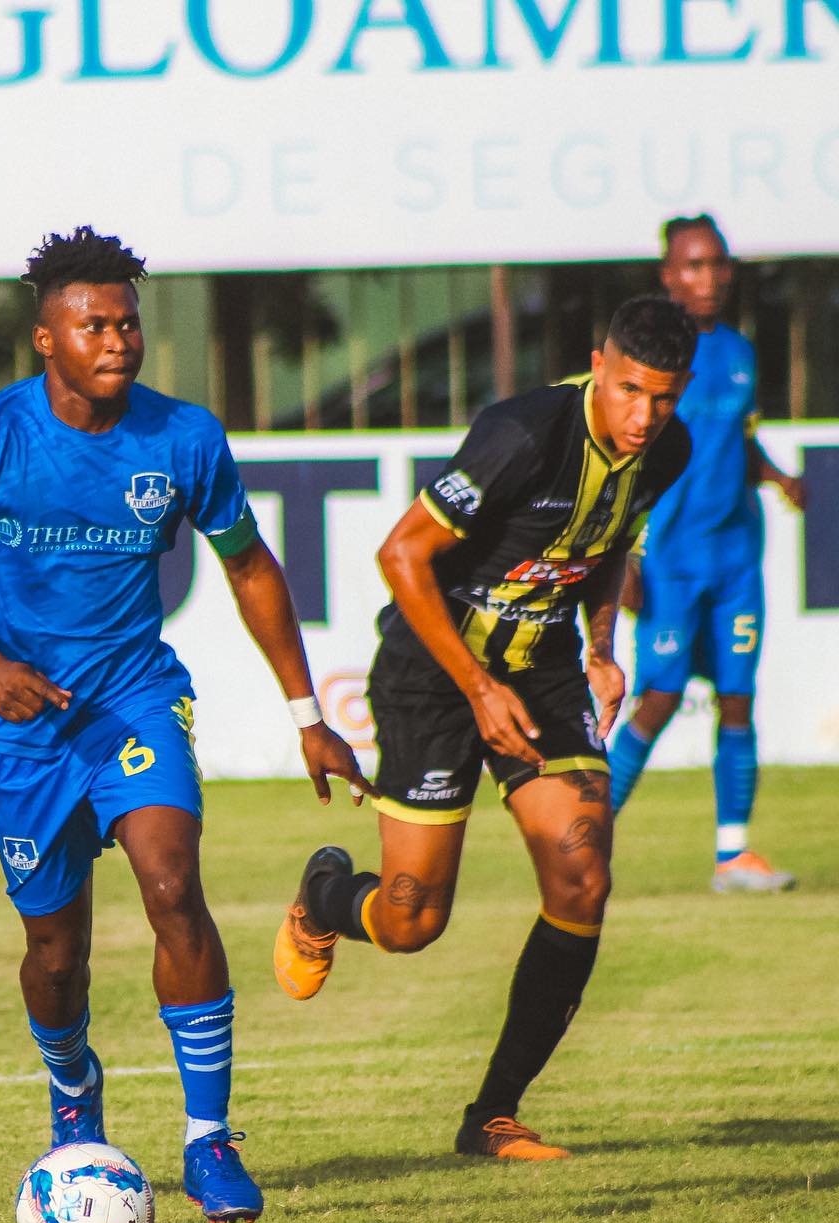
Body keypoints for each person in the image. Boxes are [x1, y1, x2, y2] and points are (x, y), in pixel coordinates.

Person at [0, 227, 366, 1223]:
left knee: (173, 887)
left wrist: (307, 715)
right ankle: (72, 1087)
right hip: (23, 729)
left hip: (136, 699)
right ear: (46, 340)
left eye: (129, 324)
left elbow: (250, 566)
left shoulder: (184, 438)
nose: (118, 341)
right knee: (56, 957)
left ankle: (209, 1138)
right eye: (93, 325)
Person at [274, 296, 697, 1161]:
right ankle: (324, 897)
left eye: (663, 396)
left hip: (541, 669)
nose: (644, 415)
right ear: (598, 366)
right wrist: (476, 688)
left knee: (582, 877)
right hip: (434, 675)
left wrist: (601, 649)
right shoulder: (524, 434)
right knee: (410, 922)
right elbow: (400, 553)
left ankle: (493, 1115)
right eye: (630, 391)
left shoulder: (667, 448)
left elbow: (609, 544)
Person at [607, 215, 807, 892]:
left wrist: (777, 477)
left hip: (737, 558)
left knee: (738, 699)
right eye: (694, 265)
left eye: (718, 264)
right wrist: (624, 555)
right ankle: (587, 837)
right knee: (659, 698)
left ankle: (733, 856)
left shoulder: (740, 351)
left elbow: (738, 440)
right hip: (671, 559)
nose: (710, 277)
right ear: (668, 275)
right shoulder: (653, 360)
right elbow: (625, 456)